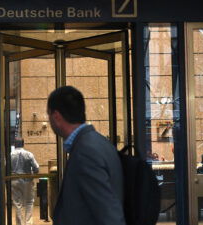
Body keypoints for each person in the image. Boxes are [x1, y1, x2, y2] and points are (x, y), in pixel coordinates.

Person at [47, 86, 126, 225]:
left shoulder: (86, 151)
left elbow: (108, 211)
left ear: (56, 117)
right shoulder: (99, 142)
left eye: (49, 116)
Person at [11, 137, 39, 225]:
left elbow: (5, 167)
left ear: (15, 144)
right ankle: (28, 223)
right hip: (27, 180)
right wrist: (33, 173)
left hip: (14, 179)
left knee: (17, 203)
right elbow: (36, 168)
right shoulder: (29, 154)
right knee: (29, 202)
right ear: (23, 144)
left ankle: (20, 223)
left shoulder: (10, 154)